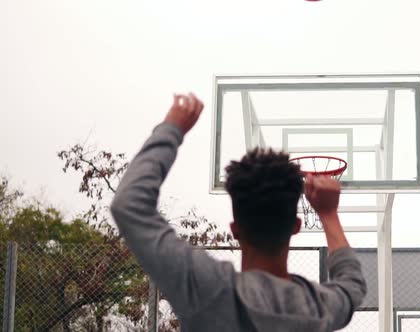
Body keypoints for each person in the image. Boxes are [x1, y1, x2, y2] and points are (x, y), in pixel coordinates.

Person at [110, 92, 367, 331]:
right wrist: (328, 214)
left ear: (235, 230)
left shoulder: (208, 289)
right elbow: (351, 284)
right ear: (296, 226)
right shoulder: (316, 308)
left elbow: (128, 205)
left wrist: (171, 128)